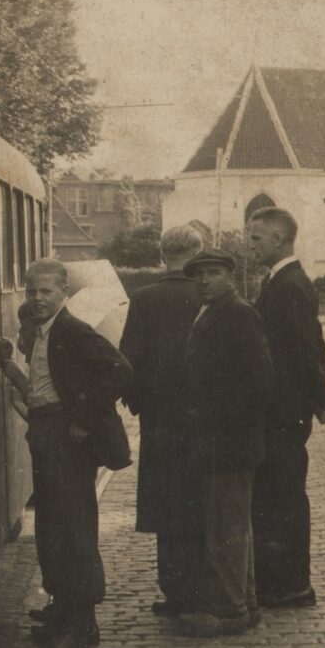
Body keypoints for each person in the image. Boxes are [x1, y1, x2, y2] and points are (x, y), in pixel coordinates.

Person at [0, 259, 133, 648]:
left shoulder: (71, 330)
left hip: (65, 439)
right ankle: (70, 619)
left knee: (72, 532)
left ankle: (76, 631)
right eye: (32, 291)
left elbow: (119, 370)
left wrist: (83, 419)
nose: (38, 298)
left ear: (64, 293)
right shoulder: (45, 332)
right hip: (47, 432)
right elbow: (44, 387)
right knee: (54, 529)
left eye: (46, 291)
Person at [179, 248, 273, 637]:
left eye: (214, 272)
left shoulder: (238, 314)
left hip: (229, 441)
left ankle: (230, 610)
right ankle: (244, 602)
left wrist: (219, 422)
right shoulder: (212, 311)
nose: (205, 280)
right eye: (199, 274)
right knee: (230, 523)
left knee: (226, 528)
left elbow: (259, 382)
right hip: (217, 440)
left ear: (230, 276)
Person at [247, 206, 325, 609]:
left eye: (256, 237)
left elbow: (306, 350)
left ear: (278, 239)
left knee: (282, 498)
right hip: (283, 411)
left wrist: (318, 399)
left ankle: (291, 585)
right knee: (276, 496)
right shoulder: (284, 281)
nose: (251, 245)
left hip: (283, 413)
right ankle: (280, 581)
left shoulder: (288, 286)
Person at [119, 224, 205, 617]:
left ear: (161, 255)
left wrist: (140, 403)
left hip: (159, 420)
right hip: (202, 418)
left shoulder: (143, 298)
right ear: (197, 255)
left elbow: (129, 359)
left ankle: (174, 590)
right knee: (200, 502)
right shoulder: (206, 294)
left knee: (167, 505)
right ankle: (202, 587)